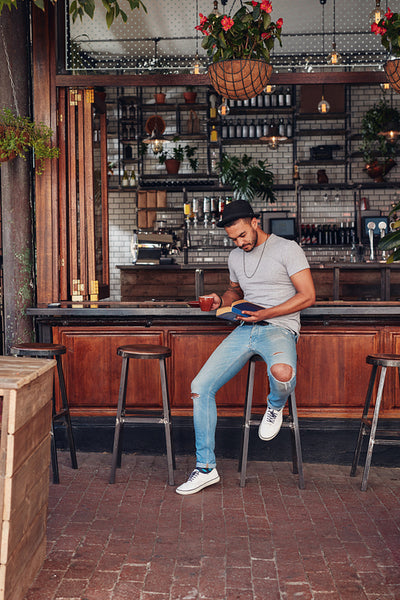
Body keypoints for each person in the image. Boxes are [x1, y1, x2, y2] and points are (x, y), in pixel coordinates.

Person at [176, 200, 316, 496]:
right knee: (200, 386)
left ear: (255, 222)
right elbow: (236, 291)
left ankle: (275, 407)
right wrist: (221, 301)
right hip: (244, 329)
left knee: (282, 373)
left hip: (279, 327)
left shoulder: (287, 249)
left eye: (242, 235)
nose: (239, 243)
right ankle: (205, 469)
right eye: (233, 239)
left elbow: (307, 296)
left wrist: (265, 313)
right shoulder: (235, 257)